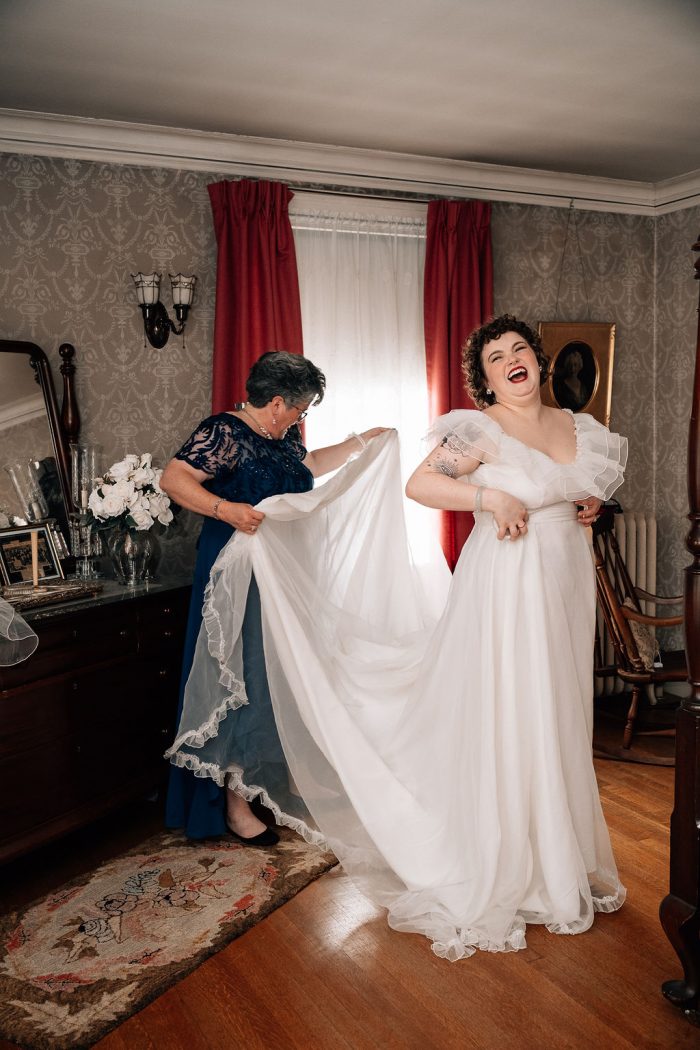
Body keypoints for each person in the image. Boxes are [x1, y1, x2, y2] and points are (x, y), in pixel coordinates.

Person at [168, 315, 627, 961]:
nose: (512, 359)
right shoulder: (478, 429)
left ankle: (560, 855)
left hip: (564, 580)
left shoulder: (577, 426)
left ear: (538, 360)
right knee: (514, 707)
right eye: (497, 356)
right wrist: (487, 498)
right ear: (485, 376)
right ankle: (509, 862)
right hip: (503, 579)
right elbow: (423, 485)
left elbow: (572, 490)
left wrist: (588, 505)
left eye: (519, 349)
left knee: (559, 709)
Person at [162, 350, 387, 845]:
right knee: (243, 678)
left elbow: (306, 466)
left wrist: (358, 445)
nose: (302, 418)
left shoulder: (285, 438)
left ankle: (264, 784)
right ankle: (233, 805)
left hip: (281, 573)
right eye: (301, 410)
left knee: (275, 675)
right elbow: (173, 479)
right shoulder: (223, 431)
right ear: (278, 402)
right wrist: (225, 509)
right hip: (234, 570)